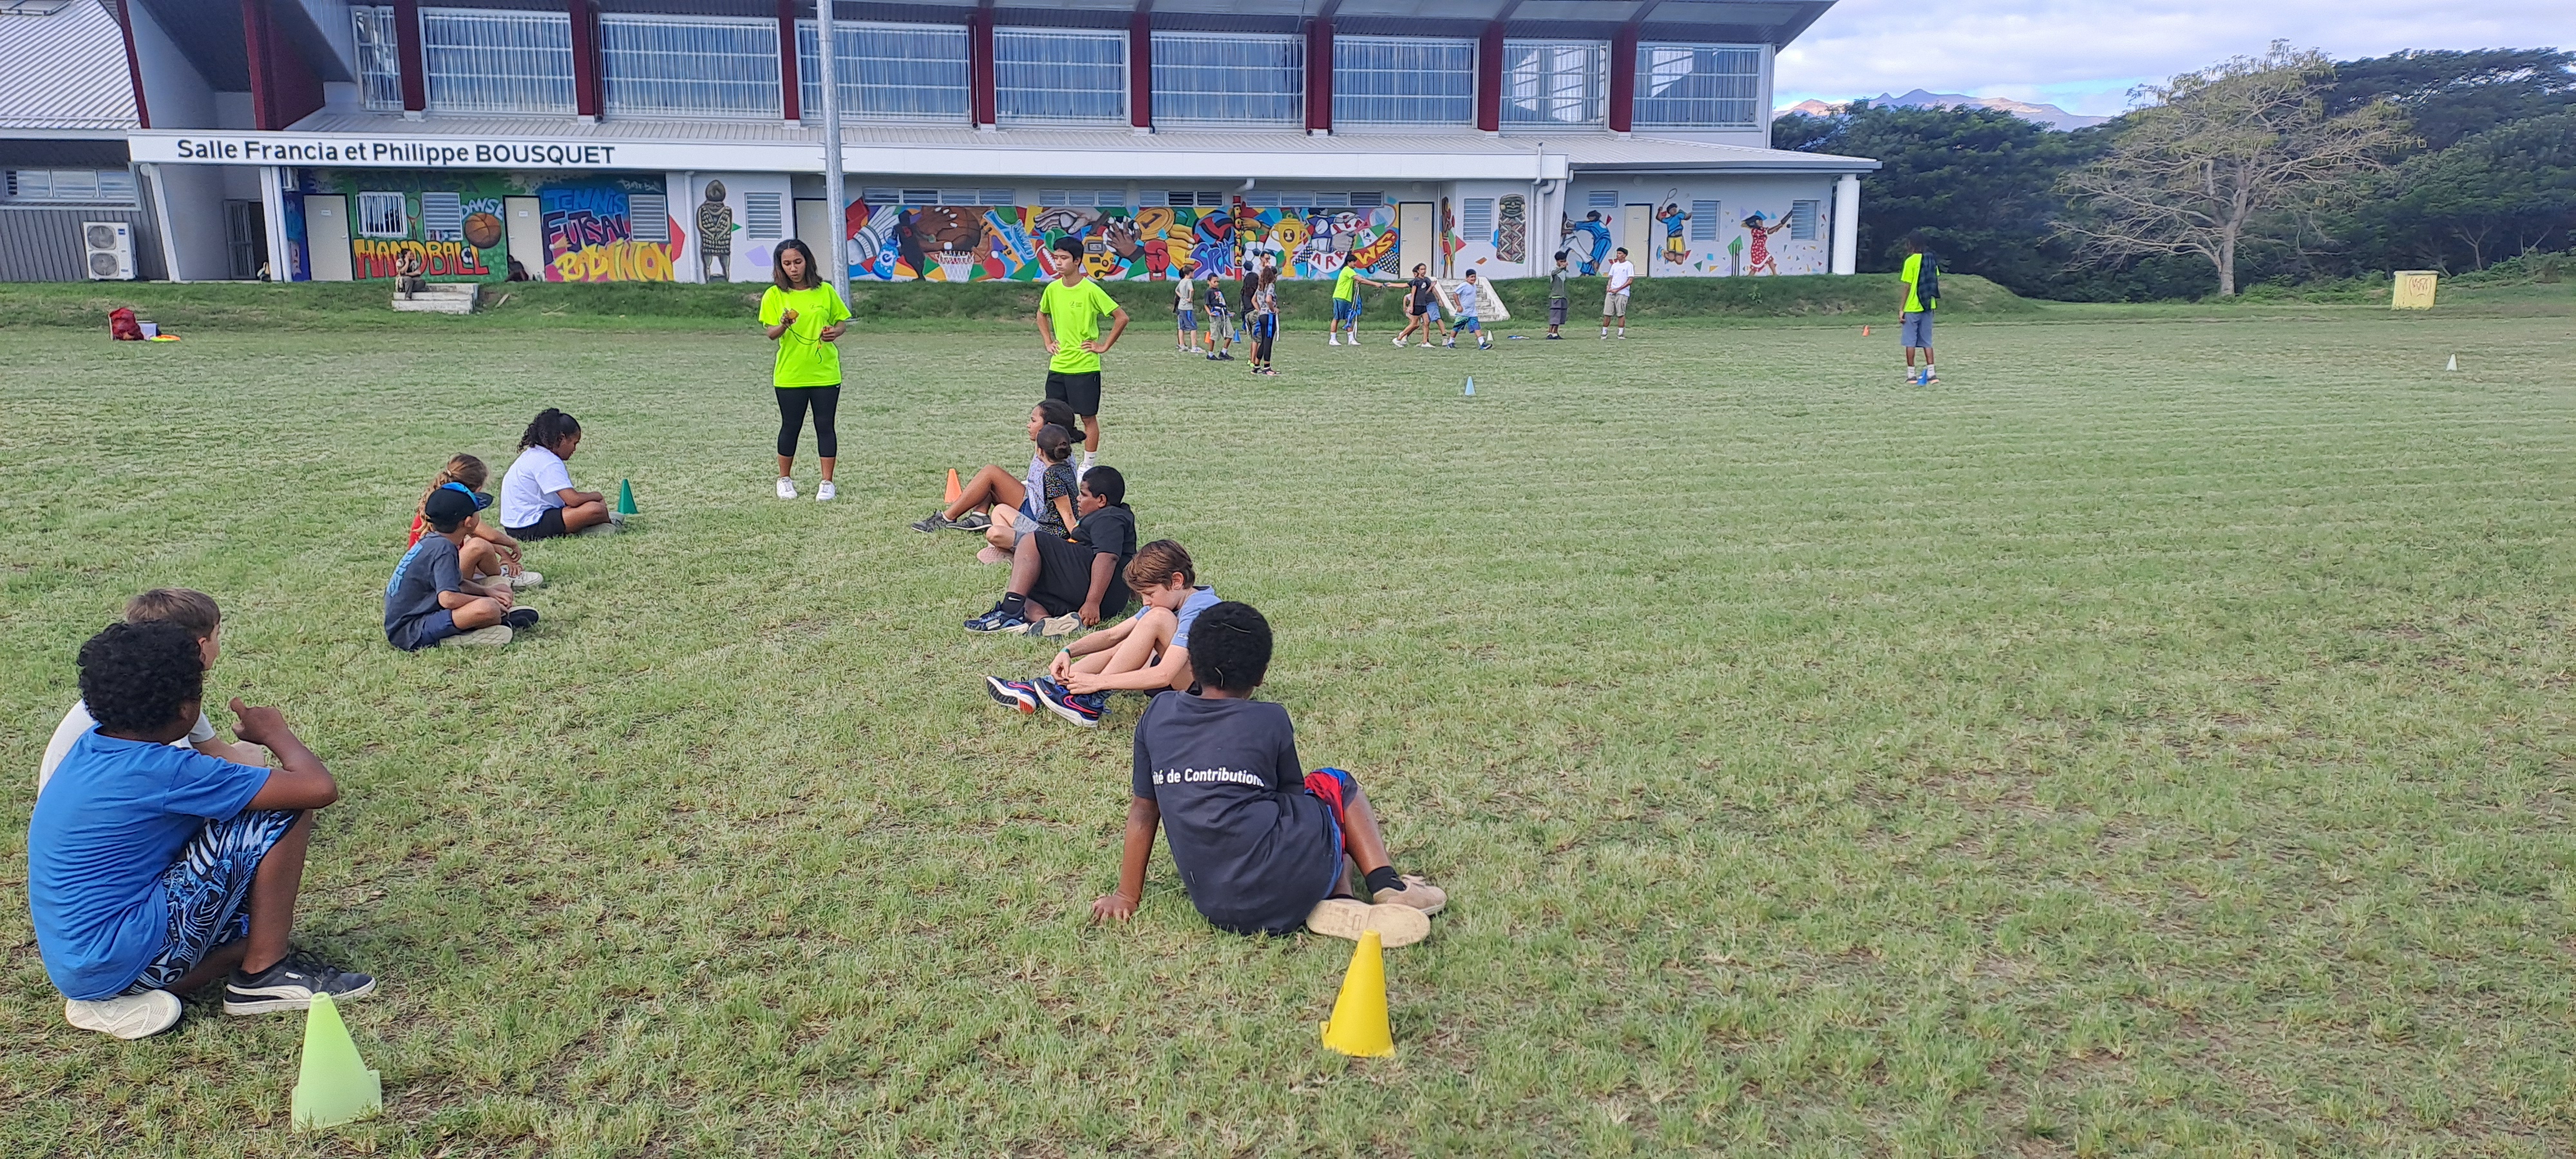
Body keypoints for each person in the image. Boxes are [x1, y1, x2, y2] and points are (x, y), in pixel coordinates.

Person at [31, 619, 374, 1040]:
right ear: (184, 710)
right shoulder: (165, 770)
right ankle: (264, 974)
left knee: (251, 927)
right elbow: (316, 789)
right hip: (118, 951)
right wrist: (276, 733)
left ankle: (119, 996)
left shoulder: (91, 748)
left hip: (81, 964)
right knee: (284, 809)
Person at [1088, 601, 1446, 945]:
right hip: (1292, 879)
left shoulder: (1157, 714)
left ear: (1191, 665)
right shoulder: (1270, 718)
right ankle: (1386, 886)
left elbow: (1143, 811)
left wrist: (1126, 895)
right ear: (1261, 676)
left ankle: (1342, 899)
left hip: (1216, 905)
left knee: (1316, 817)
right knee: (1335, 785)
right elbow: (1292, 796)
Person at [40, 589, 265, 793]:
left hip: (72, 801)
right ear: (201, 646)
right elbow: (201, 773)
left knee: (249, 754)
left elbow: (213, 750)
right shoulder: (158, 708)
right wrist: (273, 737)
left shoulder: (131, 688)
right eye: (218, 634)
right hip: (121, 802)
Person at [992, 540, 1214, 728]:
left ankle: (1091, 700)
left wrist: (1099, 682)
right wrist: (1068, 651)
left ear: (1177, 581)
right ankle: (1047, 686)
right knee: (1128, 643)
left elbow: (1165, 674)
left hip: (1208, 697)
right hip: (1185, 679)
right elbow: (1112, 636)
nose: (1146, 602)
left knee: (1158, 619)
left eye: (1150, 594)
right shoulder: (1166, 602)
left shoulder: (1199, 607)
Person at [967, 465, 1138, 638]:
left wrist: (1092, 602)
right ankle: (1047, 623)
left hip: (1103, 594)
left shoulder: (1111, 517)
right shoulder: (1108, 516)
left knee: (1032, 540)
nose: (1078, 499)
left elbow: (1107, 558)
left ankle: (1009, 611)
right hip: (1089, 589)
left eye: (1084, 495)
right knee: (1026, 591)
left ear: (1101, 500)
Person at [387, 487, 540, 649]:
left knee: (497, 592)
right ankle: (456, 637)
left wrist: (488, 592)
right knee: (488, 608)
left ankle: (492, 620)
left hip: (421, 617)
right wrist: (486, 601)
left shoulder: (434, 541)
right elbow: (448, 599)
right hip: (410, 632)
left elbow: (457, 582)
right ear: (468, 522)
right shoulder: (444, 548)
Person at [760, 238, 852, 502]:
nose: (793, 268)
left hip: (825, 373)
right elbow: (771, 333)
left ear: (807, 262)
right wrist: (784, 324)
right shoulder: (774, 295)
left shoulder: (825, 291)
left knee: (825, 426)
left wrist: (835, 332)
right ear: (780, 266)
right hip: (790, 374)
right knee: (791, 426)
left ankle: (827, 482)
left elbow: (841, 322)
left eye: (798, 262)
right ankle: (784, 479)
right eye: (787, 263)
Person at [912, 399, 1081, 534]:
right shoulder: (1056, 449)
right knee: (991, 480)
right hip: (1035, 504)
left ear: (1048, 427)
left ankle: (946, 518)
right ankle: (979, 515)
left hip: (1040, 517)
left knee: (991, 473)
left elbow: (1057, 496)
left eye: (1033, 421)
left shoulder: (1055, 458)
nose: (1028, 425)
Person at [1037, 236, 1129, 476]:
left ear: (1077, 261)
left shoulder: (1090, 290)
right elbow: (1041, 314)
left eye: (1064, 258)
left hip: (1085, 366)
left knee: (1088, 417)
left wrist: (1104, 346)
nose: (1058, 262)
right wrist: (1048, 341)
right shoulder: (1052, 289)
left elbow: (1121, 317)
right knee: (1051, 419)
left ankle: (1087, 465)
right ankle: (1050, 466)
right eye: (1056, 257)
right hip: (1059, 366)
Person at [408, 455, 538, 591]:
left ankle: (494, 577)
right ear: (477, 489)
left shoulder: (439, 500)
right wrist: (512, 544)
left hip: (425, 573)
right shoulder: (458, 507)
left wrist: (501, 551)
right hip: (435, 581)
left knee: (472, 543)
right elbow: (489, 535)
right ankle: (501, 576)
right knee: (479, 546)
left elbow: (474, 535)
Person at [499, 408, 616, 540]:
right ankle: (603, 525)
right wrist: (596, 495)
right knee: (595, 509)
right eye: (574, 443)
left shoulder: (534, 454)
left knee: (590, 507)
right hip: (528, 526)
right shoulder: (548, 461)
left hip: (516, 524)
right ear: (562, 438)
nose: (575, 449)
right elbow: (573, 500)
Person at [972, 423, 1080, 563]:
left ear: (1040, 451)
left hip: (1050, 540)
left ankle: (1016, 554)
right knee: (999, 510)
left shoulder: (1052, 476)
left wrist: (1077, 546)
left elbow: (1068, 515)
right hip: (1044, 530)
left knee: (993, 533)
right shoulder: (1066, 467)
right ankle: (1004, 552)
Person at [1898, 236, 1940, 385]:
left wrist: (1902, 308)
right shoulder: (1931, 261)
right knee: (1927, 341)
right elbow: (1934, 281)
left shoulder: (1910, 261)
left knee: (1910, 341)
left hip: (1912, 306)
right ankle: (1932, 374)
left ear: (1910, 244)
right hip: (1928, 305)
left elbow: (1907, 286)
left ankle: (1911, 375)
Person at [1327, 253, 1388, 347]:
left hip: (1347, 298)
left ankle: (1351, 339)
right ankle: (1332, 339)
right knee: (1337, 318)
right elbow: (1361, 280)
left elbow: (1356, 281)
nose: (1355, 264)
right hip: (1340, 297)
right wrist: (1375, 284)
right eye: (1354, 262)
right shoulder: (1348, 270)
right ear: (1349, 262)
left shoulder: (1350, 272)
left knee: (1349, 318)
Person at [1393, 263, 1446, 348]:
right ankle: (1399, 338)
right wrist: (1411, 306)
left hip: (1423, 304)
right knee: (1414, 324)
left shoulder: (1425, 280)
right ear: (1418, 271)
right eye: (1422, 269)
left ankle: (1425, 342)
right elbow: (1412, 294)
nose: (1424, 271)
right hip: (1417, 305)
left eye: (1425, 269)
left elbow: (1428, 291)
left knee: (1426, 322)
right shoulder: (1416, 281)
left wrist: (1439, 298)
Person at [1247, 270, 1280, 377]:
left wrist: (1260, 310)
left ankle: (1256, 366)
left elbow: (1254, 300)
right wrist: (1273, 309)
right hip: (1269, 316)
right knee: (1268, 341)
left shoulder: (1260, 287)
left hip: (1261, 315)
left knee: (1263, 341)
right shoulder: (1270, 286)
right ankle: (1267, 367)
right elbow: (1269, 299)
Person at [1449, 269, 1492, 350]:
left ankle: (1482, 344)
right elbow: (1455, 294)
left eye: (1475, 277)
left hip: (1472, 312)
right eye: (1472, 277)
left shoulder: (1474, 286)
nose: (1473, 279)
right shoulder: (1464, 285)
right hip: (1463, 312)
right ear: (1467, 278)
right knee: (1457, 327)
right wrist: (1459, 306)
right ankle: (1451, 342)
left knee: (1476, 327)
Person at [1600, 246, 1635, 339]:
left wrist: (1618, 289)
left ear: (1624, 255)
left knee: (1620, 313)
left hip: (1622, 293)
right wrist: (1609, 286)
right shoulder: (1614, 265)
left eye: (1620, 254)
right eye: (1617, 253)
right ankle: (1604, 332)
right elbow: (1611, 278)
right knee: (1607, 313)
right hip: (1611, 292)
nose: (1618, 255)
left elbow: (1630, 280)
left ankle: (1620, 333)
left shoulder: (1629, 265)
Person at [1742, 211, 1790, 277]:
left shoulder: (1761, 229)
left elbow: (1771, 230)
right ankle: (1749, 278)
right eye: (1759, 221)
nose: (1761, 222)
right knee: (1755, 267)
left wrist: (1779, 226)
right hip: (1757, 251)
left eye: (1761, 220)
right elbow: (1769, 232)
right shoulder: (1755, 231)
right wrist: (1779, 226)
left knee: (1770, 259)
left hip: (1762, 249)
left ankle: (1775, 275)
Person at [1201, 276, 1235, 361]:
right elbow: (1206, 304)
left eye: (1218, 282)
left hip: (1224, 315)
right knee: (1214, 335)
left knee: (1230, 333)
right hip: (1216, 315)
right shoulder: (1209, 292)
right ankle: (1210, 354)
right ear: (1209, 282)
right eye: (1214, 281)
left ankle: (1223, 352)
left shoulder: (1219, 291)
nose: (1216, 283)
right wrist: (1210, 313)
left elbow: (1222, 303)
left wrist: (1228, 312)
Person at [1173, 267, 1200, 354]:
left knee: (1181, 327)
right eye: (1192, 272)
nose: (1193, 274)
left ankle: (1182, 345)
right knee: (1193, 327)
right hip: (1187, 307)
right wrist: (1189, 298)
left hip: (1181, 306)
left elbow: (1176, 290)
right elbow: (1191, 290)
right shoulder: (1189, 281)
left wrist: (1182, 297)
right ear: (1189, 273)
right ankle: (1194, 347)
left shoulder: (1182, 281)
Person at [1545, 250, 1571, 339]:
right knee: (1554, 316)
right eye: (1561, 261)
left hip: (1562, 296)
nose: (1563, 263)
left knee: (1560, 316)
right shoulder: (1554, 269)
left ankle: (1555, 333)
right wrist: (1561, 268)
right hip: (1555, 296)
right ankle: (1550, 333)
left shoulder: (1564, 272)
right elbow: (1553, 273)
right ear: (1557, 261)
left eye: (1564, 261)